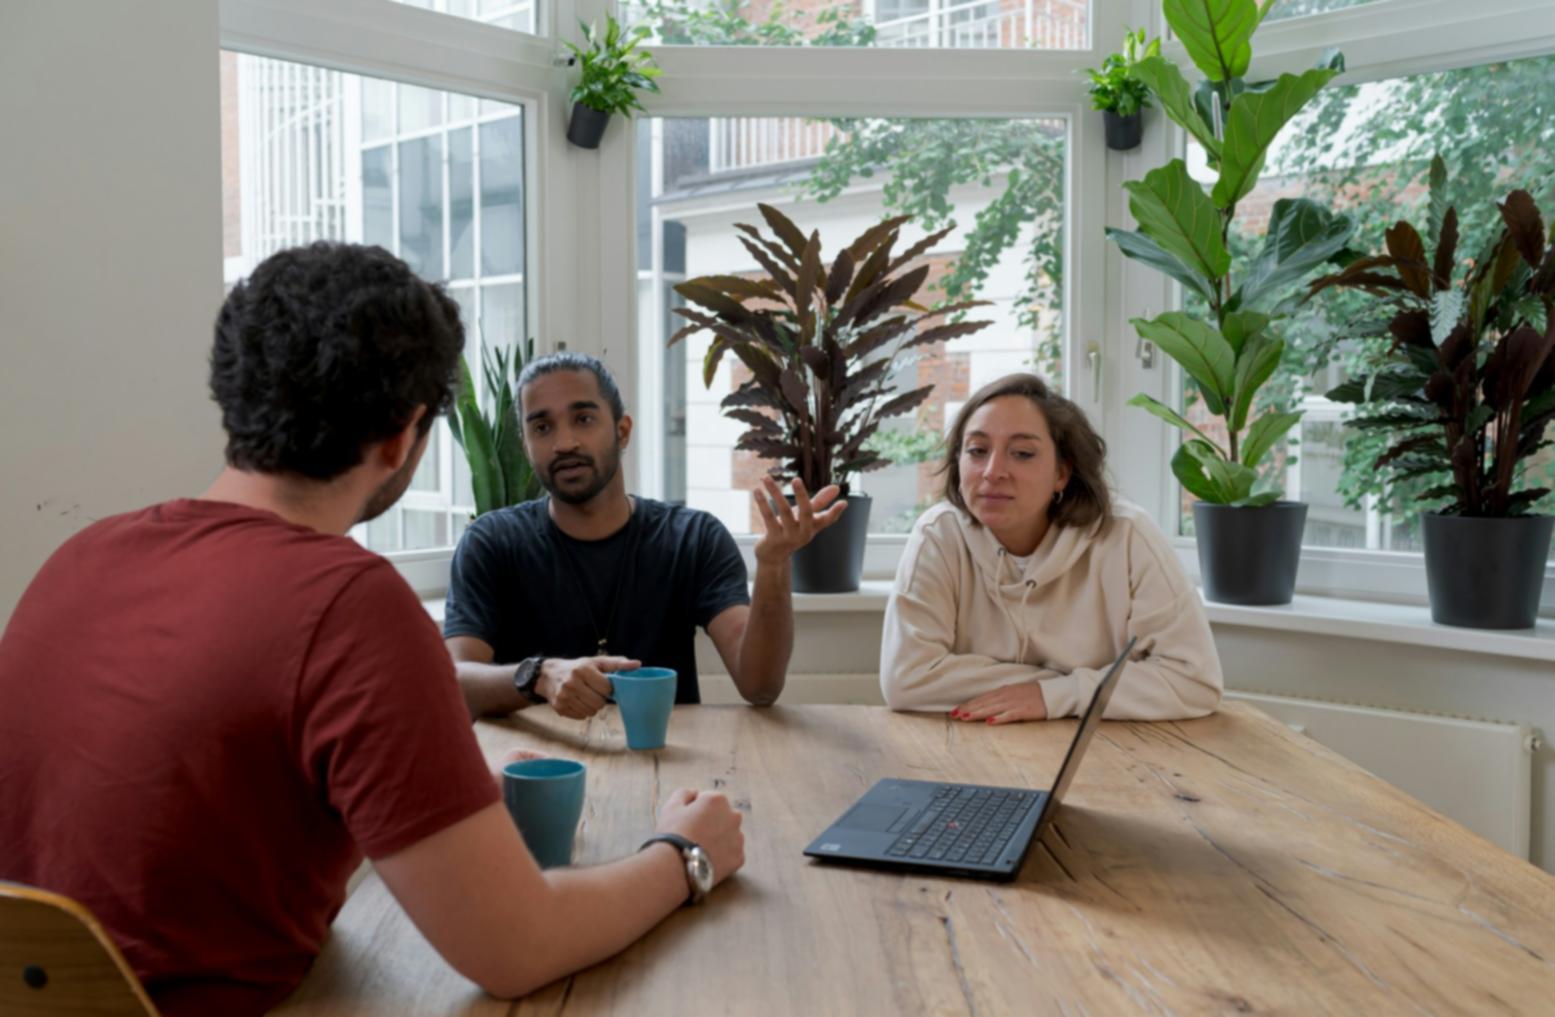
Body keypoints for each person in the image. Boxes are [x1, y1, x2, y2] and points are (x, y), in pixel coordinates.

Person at [0, 243, 744, 1017]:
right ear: (402, 437)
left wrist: (420, 793)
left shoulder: (80, 557)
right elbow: (518, 948)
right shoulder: (347, 602)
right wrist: (685, 853)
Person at [444, 352, 845, 720]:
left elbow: (760, 686)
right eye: (543, 427)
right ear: (526, 444)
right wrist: (539, 676)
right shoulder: (490, 543)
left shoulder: (693, 538)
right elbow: (454, 684)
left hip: (667, 771)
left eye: (583, 419)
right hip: (540, 773)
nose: (564, 443)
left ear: (622, 431)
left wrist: (774, 567)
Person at [879, 372, 1222, 722]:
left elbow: (1195, 681)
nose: (993, 471)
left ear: (1062, 473)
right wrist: (1079, 686)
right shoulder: (939, 534)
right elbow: (906, 680)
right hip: (974, 745)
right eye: (977, 451)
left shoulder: (1127, 535)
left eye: (1022, 453)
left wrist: (1057, 695)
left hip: (1110, 753)